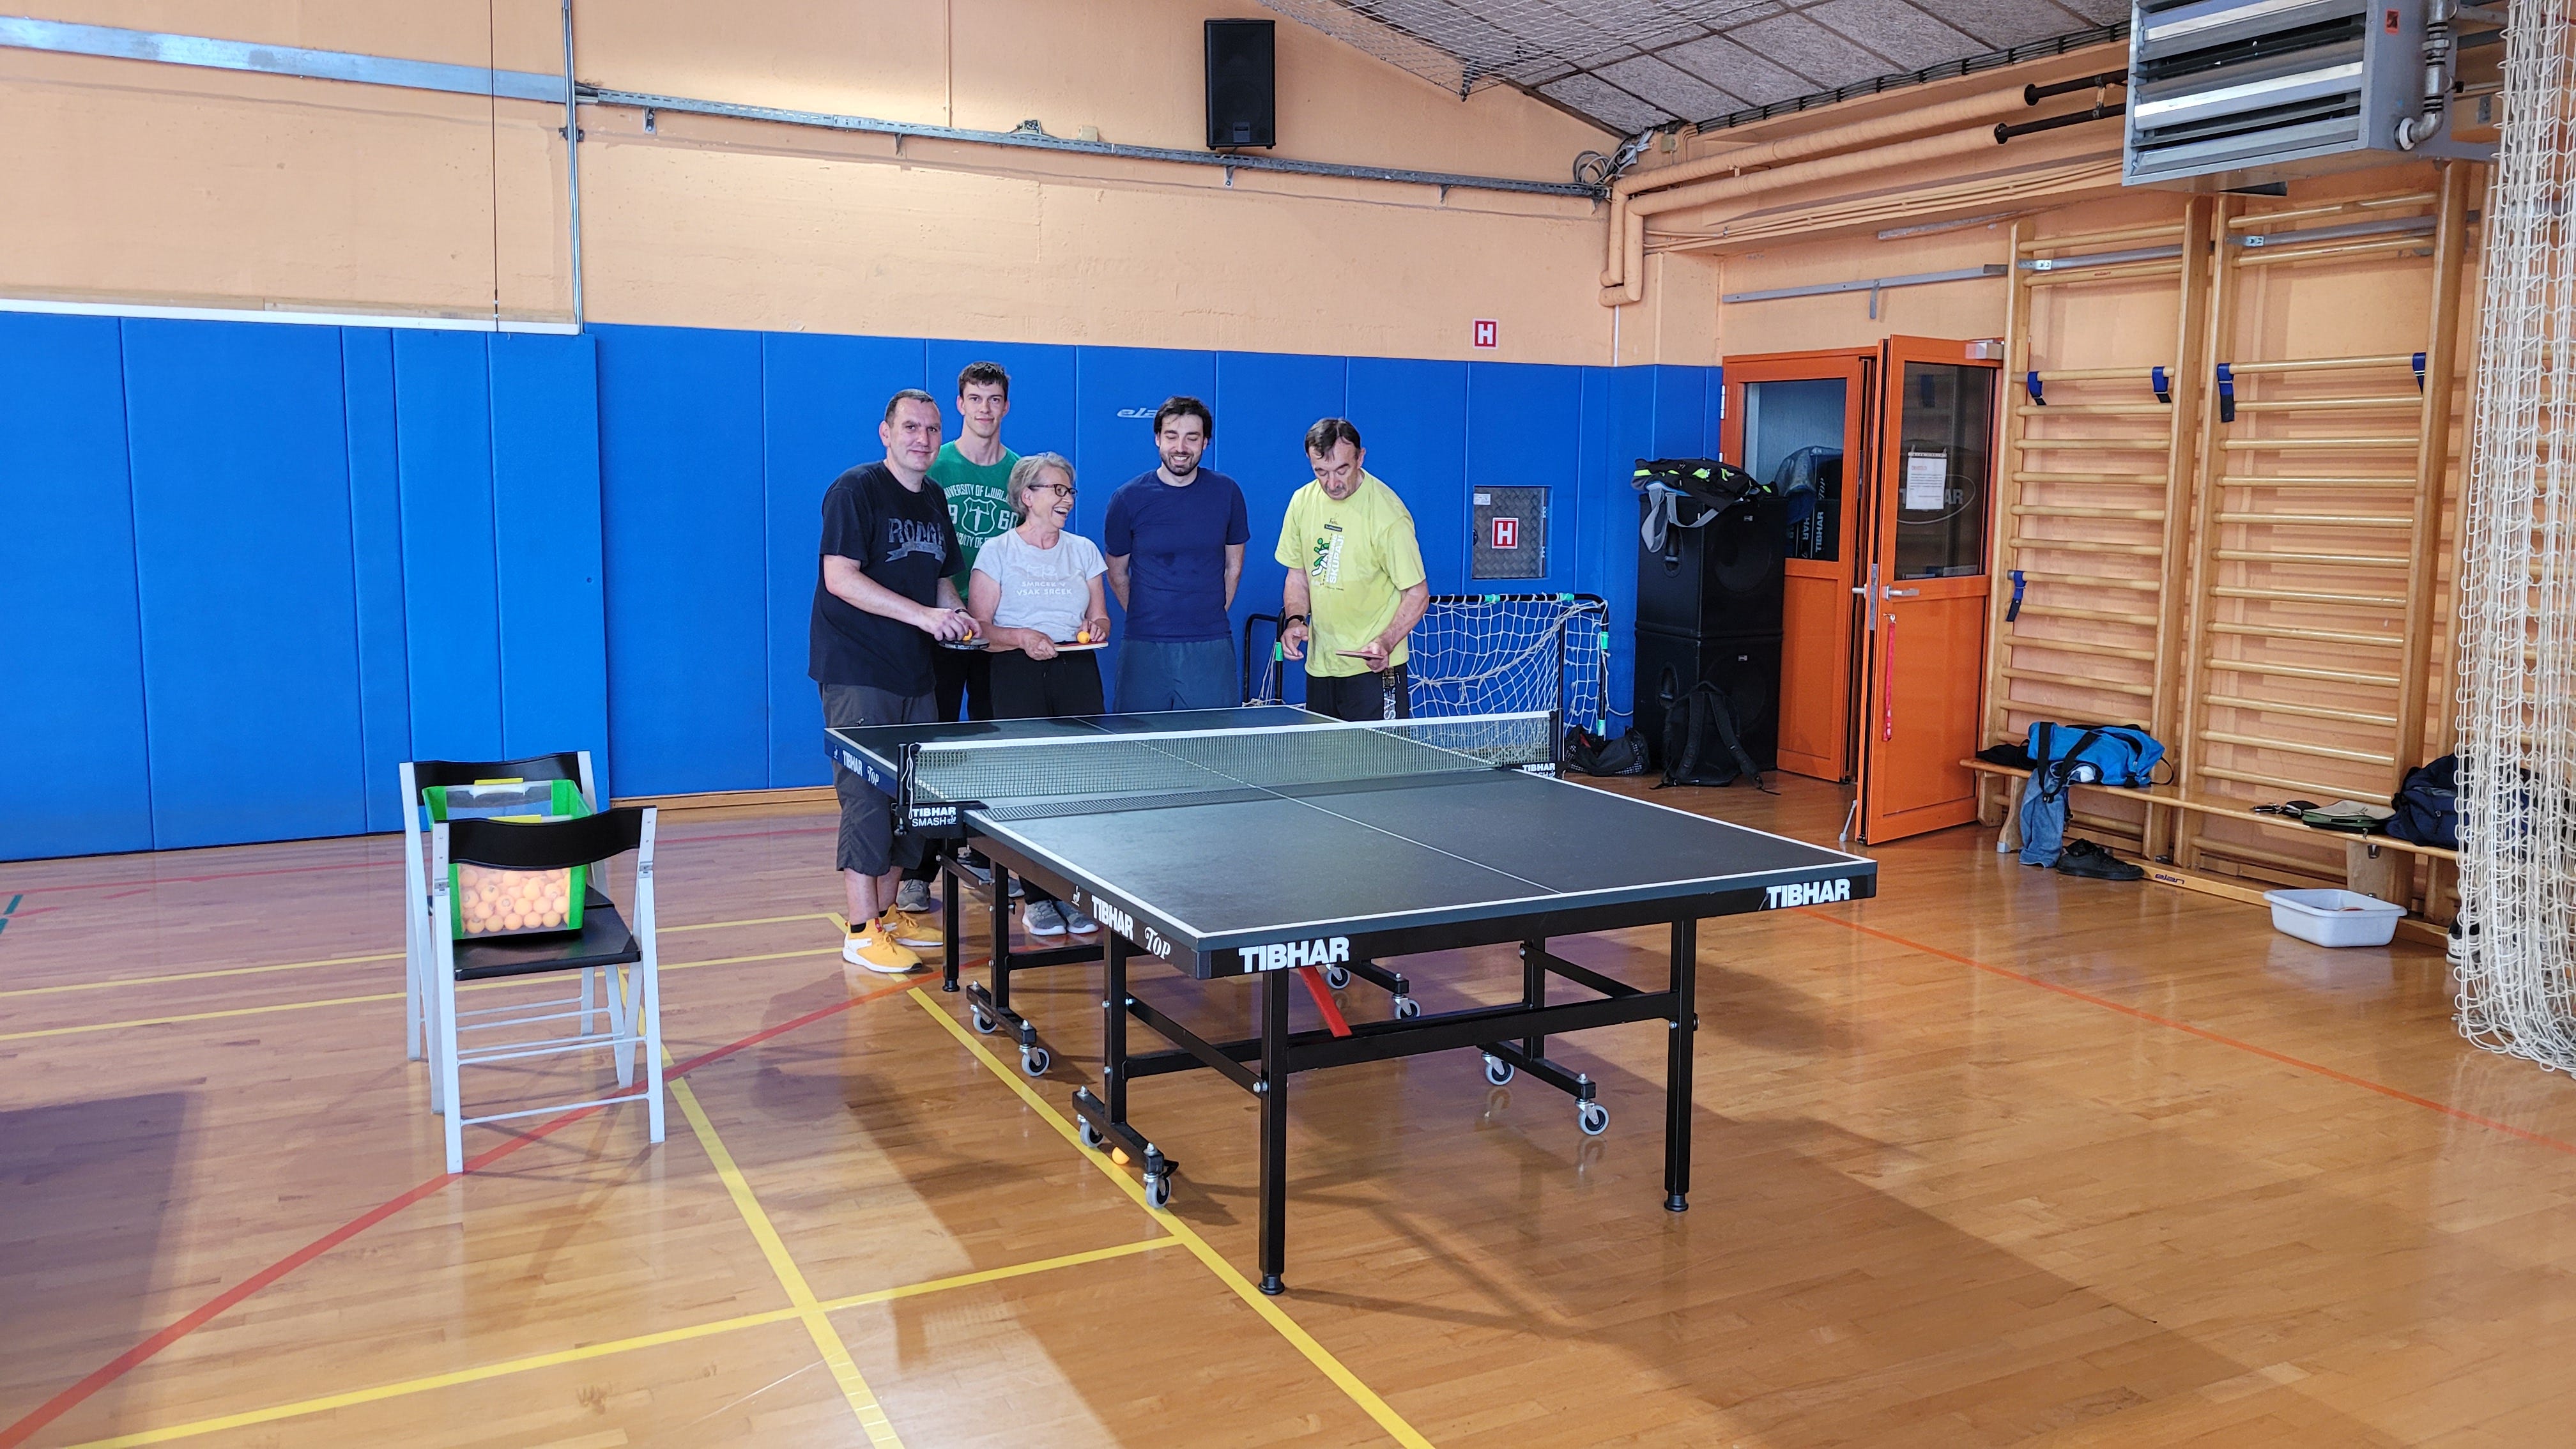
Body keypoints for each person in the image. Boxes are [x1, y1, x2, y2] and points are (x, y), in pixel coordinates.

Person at [811, 388, 976, 974]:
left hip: (915, 671)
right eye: (910, 427)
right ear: (886, 433)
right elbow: (841, 579)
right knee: (866, 796)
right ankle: (859, 931)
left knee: (914, 797)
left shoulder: (933, 497)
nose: (923, 439)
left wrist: (954, 613)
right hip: (858, 671)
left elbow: (938, 579)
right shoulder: (855, 490)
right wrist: (926, 617)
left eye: (932, 429)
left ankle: (886, 914)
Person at [967, 453, 1111, 938]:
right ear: (1027, 496)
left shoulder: (1084, 551)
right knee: (1030, 789)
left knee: (1080, 787)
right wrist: (1025, 637)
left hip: (1077, 671)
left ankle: (1073, 894)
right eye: (1056, 490)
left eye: (1070, 491)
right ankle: (1037, 896)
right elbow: (981, 628)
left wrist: (1096, 626)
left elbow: (1102, 617)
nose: (1065, 499)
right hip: (1015, 671)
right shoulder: (997, 552)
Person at [896, 361, 1018, 917]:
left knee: (994, 750)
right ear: (960, 405)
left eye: (995, 399)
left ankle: (997, 856)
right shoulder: (933, 464)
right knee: (935, 750)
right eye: (975, 398)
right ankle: (920, 870)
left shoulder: (1022, 473)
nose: (985, 409)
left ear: (1006, 407)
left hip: (998, 632)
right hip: (944, 630)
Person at [1276, 418, 1429, 723]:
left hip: (1375, 669)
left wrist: (1385, 642)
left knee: (1380, 765)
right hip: (1321, 666)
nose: (1332, 483)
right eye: (1321, 472)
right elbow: (1298, 575)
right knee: (1325, 764)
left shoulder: (1389, 516)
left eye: (1342, 470)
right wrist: (1295, 620)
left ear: (1361, 457)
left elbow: (1417, 593)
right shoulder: (1302, 502)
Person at [1103, 397, 1248, 712]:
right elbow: (1116, 573)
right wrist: (1148, 616)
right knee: (1139, 750)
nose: (1180, 447)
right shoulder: (1127, 499)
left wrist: (1207, 616)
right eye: (1171, 436)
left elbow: (1233, 567)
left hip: (1210, 645)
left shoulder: (1228, 493)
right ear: (1157, 439)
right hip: (1144, 645)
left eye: (1191, 438)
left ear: (1205, 442)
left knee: (1213, 748)